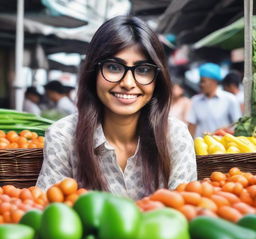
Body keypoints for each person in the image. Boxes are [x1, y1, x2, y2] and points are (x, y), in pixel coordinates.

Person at [36, 15, 197, 200]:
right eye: (113, 67)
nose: (128, 83)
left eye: (143, 70)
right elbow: (49, 212)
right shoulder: (63, 136)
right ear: (93, 72)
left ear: (157, 80)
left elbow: (184, 213)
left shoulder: (174, 136)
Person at [187, 63, 242, 138]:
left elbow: (238, 123)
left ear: (214, 81)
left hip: (224, 146)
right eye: (200, 81)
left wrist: (224, 129)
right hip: (202, 147)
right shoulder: (195, 101)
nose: (201, 84)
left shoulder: (230, 99)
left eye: (203, 81)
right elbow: (192, 126)